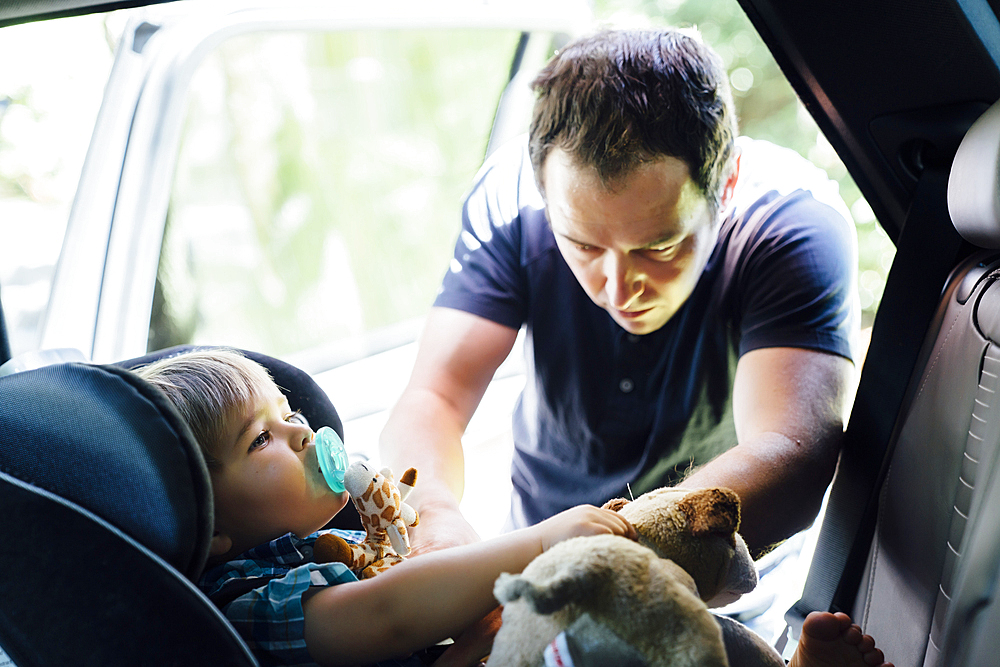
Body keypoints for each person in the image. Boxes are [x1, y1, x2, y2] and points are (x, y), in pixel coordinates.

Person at [379, 28, 859, 558]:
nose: (617, 285)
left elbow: (791, 450)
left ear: (726, 182)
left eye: (659, 247)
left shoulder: (789, 224)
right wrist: (433, 514)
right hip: (538, 552)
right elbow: (435, 396)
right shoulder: (510, 199)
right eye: (583, 244)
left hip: (717, 589)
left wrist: (598, 559)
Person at [134, 348, 637, 667]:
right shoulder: (248, 605)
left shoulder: (335, 548)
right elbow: (388, 614)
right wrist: (540, 542)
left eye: (289, 414)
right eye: (262, 438)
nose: (303, 432)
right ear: (210, 521)